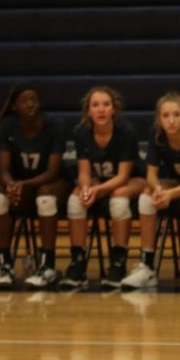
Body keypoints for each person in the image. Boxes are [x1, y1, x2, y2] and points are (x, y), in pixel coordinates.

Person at [120, 92, 180, 291]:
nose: (171, 121)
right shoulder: (157, 133)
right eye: (166, 116)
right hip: (179, 182)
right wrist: (159, 190)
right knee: (147, 195)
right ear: (159, 118)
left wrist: (171, 194)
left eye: (176, 115)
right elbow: (151, 174)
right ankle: (147, 266)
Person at [59, 86, 146, 290]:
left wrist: (97, 191)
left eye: (106, 105)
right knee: (76, 200)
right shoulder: (81, 132)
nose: (101, 110)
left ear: (114, 109)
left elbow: (123, 176)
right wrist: (87, 188)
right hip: (101, 181)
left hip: (133, 180)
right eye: (95, 105)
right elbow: (83, 172)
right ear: (88, 111)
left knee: (118, 199)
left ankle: (118, 262)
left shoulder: (126, 131)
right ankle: (78, 263)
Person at [0, 82, 71, 289]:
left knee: (45, 196)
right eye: (24, 100)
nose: (31, 104)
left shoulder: (55, 124)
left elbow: (52, 172)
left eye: (34, 99)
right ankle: (4, 265)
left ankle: (48, 265)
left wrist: (21, 185)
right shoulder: (6, 125)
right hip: (21, 185)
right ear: (15, 106)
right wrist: (11, 184)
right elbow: (4, 169)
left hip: (52, 183)